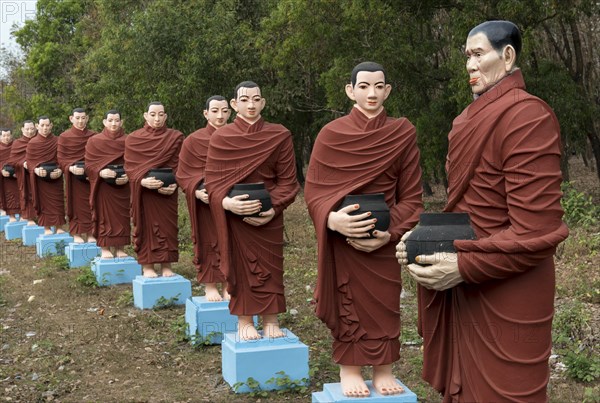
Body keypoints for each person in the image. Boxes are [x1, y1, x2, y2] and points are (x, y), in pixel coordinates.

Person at [396, 20, 569, 402]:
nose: (470, 65)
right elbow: (465, 210)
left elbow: (535, 231)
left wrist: (461, 266)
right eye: (467, 57)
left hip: (511, 289)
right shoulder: (464, 120)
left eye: (479, 54)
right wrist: (423, 239)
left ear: (507, 56)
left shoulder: (529, 116)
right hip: (466, 289)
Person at [304, 62, 423, 398]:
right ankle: (350, 369)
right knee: (349, 303)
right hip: (344, 240)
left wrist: (392, 231)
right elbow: (313, 193)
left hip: (383, 238)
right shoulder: (331, 134)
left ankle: (384, 369)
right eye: (365, 86)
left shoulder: (402, 133)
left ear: (388, 90)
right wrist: (332, 220)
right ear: (350, 90)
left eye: (379, 86)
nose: (372, 93)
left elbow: (412, 197)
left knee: (385, 303)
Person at [205, 81, 300, 340]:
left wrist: (274, 206)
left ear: (263, 103)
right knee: (240, 267)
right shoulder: (222, 138)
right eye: (245, 100)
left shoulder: (279, 135)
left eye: (256, 99)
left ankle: (271, 319)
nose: (251, 104)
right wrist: (226, 203)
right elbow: (212, 183)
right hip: (235, 217)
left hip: (268, 215)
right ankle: (244, 320)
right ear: (234, 104)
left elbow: (288, 182)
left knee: (271, 268)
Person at [177, 96, 231, 301]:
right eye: (215, 111)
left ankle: (229, 284)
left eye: (225, 111)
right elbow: (183, 174)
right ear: (205, 113)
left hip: (231, 201)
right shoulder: (193, 140)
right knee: (209, 241)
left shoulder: (237, 137)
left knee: (231, 243)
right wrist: (196, 191)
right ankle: (210, 285)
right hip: (205, 203)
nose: (220, 115)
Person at [124, 102, 183, 278]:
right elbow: (130, 168)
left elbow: (181, 165)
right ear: (145, 115)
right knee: (145, 227)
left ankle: (167, 264)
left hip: (167, 192)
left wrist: (176, 183)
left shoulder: (175, 138)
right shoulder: (134, 139)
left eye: (160, 114)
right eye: (153, 114)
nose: (157, 119)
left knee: (168, 228)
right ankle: (147, 264)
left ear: (165, 116)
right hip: (145, 194)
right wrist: (141, 181)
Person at [85, 110, 130, 259]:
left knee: (122, 217)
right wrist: (100, 172)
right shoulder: (94, 141)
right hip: (103, 186)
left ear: (121, 122)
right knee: (103, 216)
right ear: (104, 122)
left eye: (117, 120)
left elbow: (134, 163)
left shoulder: (128, 140)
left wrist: (128, 176)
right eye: (110, 120)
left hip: (122, 185)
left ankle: (120, 247)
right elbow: (89, 166)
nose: (114, 123)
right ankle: (104, 247)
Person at [58, 108, 97, 243]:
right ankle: (77, 233)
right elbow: (61, 159)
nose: (80, 121)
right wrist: (70, 167)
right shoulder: (64, 137)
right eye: (77, 118)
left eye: (83, 118)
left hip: (90, 177)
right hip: (74, 178)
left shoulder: (94, 136)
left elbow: (98, 157)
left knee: (92, 204)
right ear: (71, 118)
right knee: (76, 205)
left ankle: (92, 233)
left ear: (87, 118)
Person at [26, 116, 66, 235]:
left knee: (57, 202)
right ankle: (46, 227)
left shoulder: (58, 141)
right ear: (37, 126)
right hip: (41, 179)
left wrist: (61, 169)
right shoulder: (32, 143)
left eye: (47, 125)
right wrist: (36, 170)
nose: (45, 128)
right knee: (43, 203)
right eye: (42, 125)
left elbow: (63, 158)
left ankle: (59, 227)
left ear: (51, 126)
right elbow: (29, 161)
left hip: (55, 177)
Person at [3, 121, 37, 225]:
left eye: (32, 129)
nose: (30, 131)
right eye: (27, 129)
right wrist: (23, 163)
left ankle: (42, 219)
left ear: (35, 128)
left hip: (39, 176)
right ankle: (30, 218)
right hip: (24, 176)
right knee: (27, 195)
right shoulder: (18, 143)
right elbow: (12, 161)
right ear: (22, 130)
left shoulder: (38, 142)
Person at [0, 128, 20, 222]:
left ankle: (22, 215)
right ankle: (11, 216)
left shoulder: (17, 146)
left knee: (20, 195)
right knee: (8, 197)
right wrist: (1, 170)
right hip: (4, 179)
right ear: (0, 137)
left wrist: (18, 170)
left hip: (17, 176)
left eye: (8, 135)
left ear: (11, 135)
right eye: (4, 136)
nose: (6, 138)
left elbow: (20, 159)